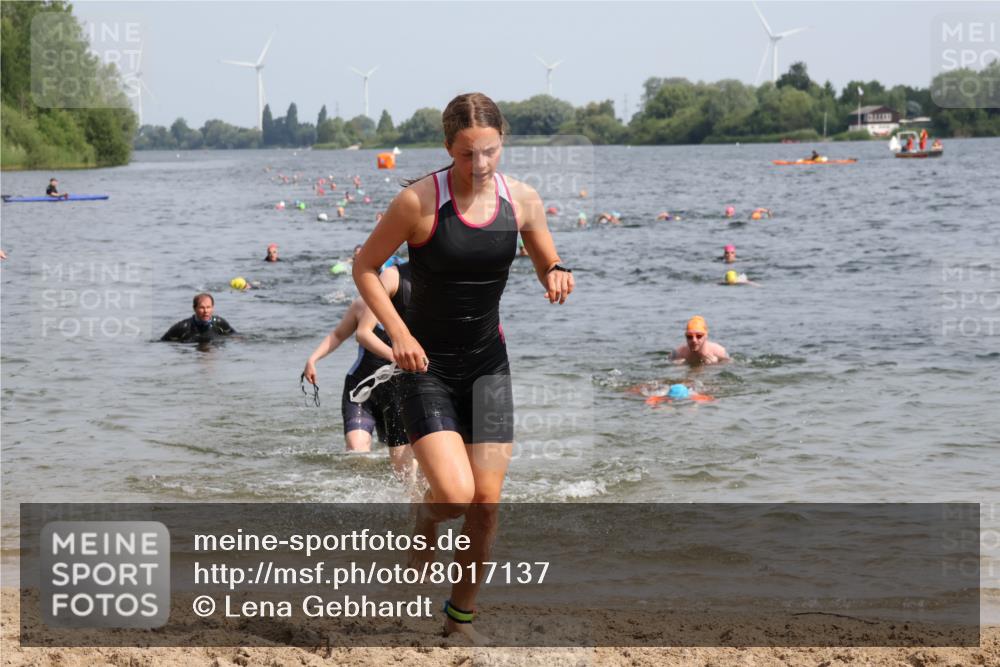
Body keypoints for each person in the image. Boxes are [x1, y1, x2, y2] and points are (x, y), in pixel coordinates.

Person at [352, 92, 574, 644]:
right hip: (424, 365)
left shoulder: (521, 199)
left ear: (503, 143)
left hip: (488, 367)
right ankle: (424, 520)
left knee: (487, 506)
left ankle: (459, 620)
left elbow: (545, 252)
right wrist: (398, 333)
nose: (480, 166)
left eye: (490, 153)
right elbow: (364, 266)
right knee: (452, 497)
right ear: (448, 147)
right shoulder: (418, 202)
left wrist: (556, 272)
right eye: (468, 155)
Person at [354, 261, 419, 495]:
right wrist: (398, 356)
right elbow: (363, 333)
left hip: (444, 377)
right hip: (400, 379)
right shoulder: (394, 278)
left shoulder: (451, 277)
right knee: (407, 475)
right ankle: (411, 513)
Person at [160, 293, 236, 343]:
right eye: (202, 308)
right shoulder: (183, 327)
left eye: (208, 307)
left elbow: (235, 336)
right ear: (194, 308)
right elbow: (162, 343)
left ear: (213, 308)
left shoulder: (219, 323)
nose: (206, 311)